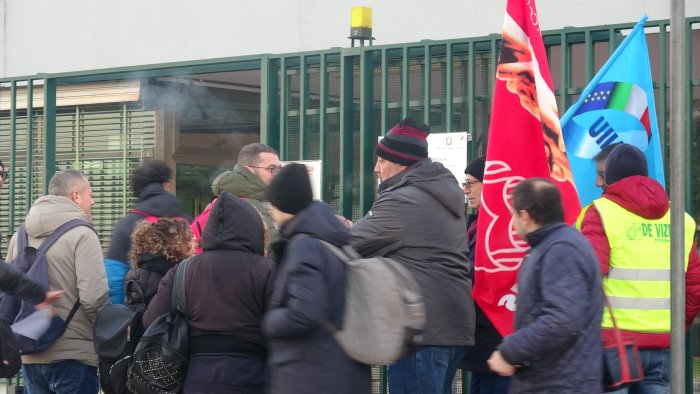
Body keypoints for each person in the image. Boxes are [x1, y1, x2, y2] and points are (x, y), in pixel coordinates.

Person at [349, 118, 475, 394]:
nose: (376, 169)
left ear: (401, 163)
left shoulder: (404, 199)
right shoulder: (438, 191)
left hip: (423, 331)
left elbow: (353, 244)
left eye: (381, 161)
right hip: (450, 327)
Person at [578, 144, 700, 394]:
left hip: (613, 344)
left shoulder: (599, 213)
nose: (597, 182)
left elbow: (585, 281)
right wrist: (675, 329)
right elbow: (694, 289)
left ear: (610, 178)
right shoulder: (681, 218)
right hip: (663, 344)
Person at [143, 191, 274, 394]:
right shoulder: (267, 270)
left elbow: (151, 320)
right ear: (253, 229)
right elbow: (281, 327)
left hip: (195, 378)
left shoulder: (183, 270)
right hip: (252, 376)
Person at [263, 163, 371, 394]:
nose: (270, 211)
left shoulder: (305, 246)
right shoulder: (331, 239)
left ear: (284, 206)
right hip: (339, 368)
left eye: (272, 204)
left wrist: (270, 320)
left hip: (313, 374)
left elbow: (305, 313)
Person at [487, 178, 603, 393]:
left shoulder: (561, 249)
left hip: (560, 383)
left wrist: (509, 352)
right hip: (557, 380)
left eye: (513, 215)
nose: (513, 224)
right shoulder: (554, 244)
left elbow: (562, 319)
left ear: (525, 216)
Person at [6, 169, 110, 394]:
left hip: (29, 353)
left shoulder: (19, 235)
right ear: (75, 196)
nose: (93, 202)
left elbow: (7, 293)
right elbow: (93, 298)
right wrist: (105, 334)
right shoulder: (83, 234)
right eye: (90, 194)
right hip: (73, 355)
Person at [105, 159, 190, 304]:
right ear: (166, 185)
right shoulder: (187, 223)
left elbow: (114, 281)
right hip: (183, 316)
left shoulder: (126, 226)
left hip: (141, 316)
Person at [458, 156, 510, 394]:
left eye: (470, 183)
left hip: (495, 335)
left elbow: (486, 273)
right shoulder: (476, 223)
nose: (466, 190)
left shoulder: (498, 227)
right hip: (482, 338)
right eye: (464, 183)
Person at [210, 143, 281, 251]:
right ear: (249, 170)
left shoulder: (218, 201)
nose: (277, 175)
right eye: (271, 169)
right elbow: (275, 252)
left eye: (278, 170)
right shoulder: (253, 205)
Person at [124, 218, 195, 306]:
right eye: (190, 240)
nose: (194, 245)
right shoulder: (176, 276)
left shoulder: (136, 272)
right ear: (178, 245)